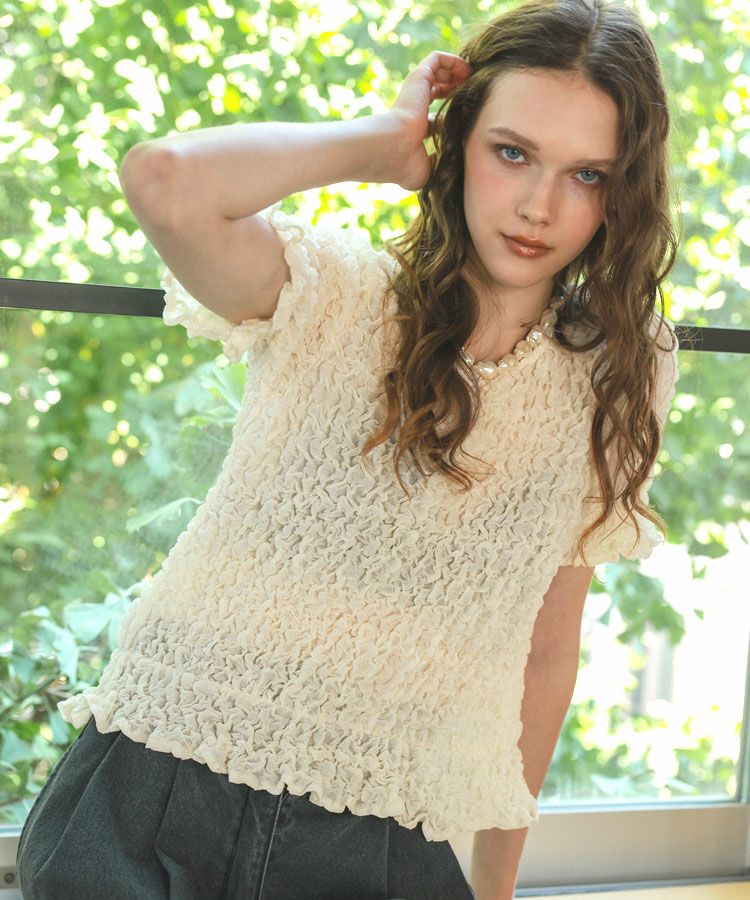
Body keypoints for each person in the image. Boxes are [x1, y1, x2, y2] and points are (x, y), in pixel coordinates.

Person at [16, 0, 681, 897]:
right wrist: (383, 145)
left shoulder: (622, 371)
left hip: (383, 834)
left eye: (588, 174)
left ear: (625, 191)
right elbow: (165, 181)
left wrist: (494, 887)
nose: (538, 206)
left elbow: (547, 649)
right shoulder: (335, 295)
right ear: (458, 143)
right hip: (154, 781)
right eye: (511, 152)